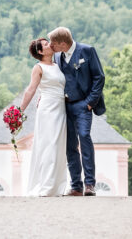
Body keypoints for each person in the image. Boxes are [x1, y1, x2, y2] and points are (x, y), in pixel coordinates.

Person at [48, 26, 106, 196]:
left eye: (53, 43)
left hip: (83, 105)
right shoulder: (57, 56)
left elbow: (99, 77)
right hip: (64, 106)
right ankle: (76, 186)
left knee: (84, 136)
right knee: (69, 144)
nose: (51, 46)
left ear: (62, 43)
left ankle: (90, 184)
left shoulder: (87, 51)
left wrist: (90, 102)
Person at [19, 37, 68, 196]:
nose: (50, 45)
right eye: (46, 44)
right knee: (49, 145)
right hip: (47, 109)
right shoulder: (38, 67)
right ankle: (46, 186)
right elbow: (31, 89)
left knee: (59, 146)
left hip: (61, 108)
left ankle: (57, 187)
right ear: (40, 51)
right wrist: (20, 111)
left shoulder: (58, 64)